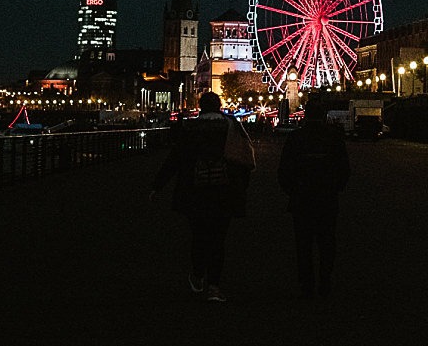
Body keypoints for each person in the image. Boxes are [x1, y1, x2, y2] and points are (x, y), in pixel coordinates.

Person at [150, 91, 255, 303]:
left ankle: (198, 275)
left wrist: (157, 186)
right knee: (218, 239)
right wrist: (241, 186)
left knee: (199, 235)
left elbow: (175, 160)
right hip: (224, 190)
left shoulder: (190, 128)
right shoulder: (232, 126)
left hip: (194, 191)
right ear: (218, 106)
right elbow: (245, 159)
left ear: (201, 107)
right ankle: (214, 286)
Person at [277, 100, 350, 299]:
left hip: (301, 199)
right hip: (327, 198)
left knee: (303, 244)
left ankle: (306, 284)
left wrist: (293, 190)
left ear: (305, 114)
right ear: (325, 114)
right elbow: (344, 169)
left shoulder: (295, 138)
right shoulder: (334, 138)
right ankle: (325, 281)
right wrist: (335, 187)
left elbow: (284, 171)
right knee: (327, 243)